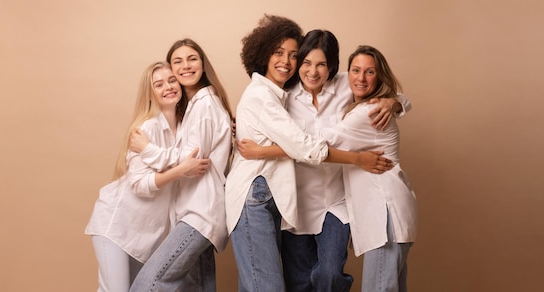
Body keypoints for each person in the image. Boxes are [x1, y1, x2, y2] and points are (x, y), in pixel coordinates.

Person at [224, 15, 394, 292]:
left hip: (335, 203)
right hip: (295, 206)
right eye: (304, 62)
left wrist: (392, 103)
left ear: (331, 67)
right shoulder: (284, 95)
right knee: (296, 283)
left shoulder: (344, 87)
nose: (312, 71)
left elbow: (383, 87)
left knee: (329, 275)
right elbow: (301, 146)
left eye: (321, 64)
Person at [84, 61, 211, 292]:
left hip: (144, 235)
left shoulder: (184, 127)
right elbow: (139, 184)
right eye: (159, 84)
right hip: (116, 227)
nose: (168, 87)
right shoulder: (147, 128)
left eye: (172, 80)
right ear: (150, 93)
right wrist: (181, 170)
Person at [128, 39, 233, 291]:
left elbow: (190, 159)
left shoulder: (205, 105)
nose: (186, 66)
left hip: (200, 214)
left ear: (203, 64)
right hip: (195, 212)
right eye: (178, 61)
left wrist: (147, 150)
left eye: (192, 58)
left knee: (148, 283)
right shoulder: (193, 108)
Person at [339, 45, 418, 292]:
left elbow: (318, 144)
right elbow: (404, 101)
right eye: (355, 70)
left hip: (385, 216)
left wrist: (262, 147)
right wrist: (395, 101)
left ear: (379, 75)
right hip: (388, 216)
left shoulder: (367, 113)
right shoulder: (365, 102)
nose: (360, 78)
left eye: (369, 72)